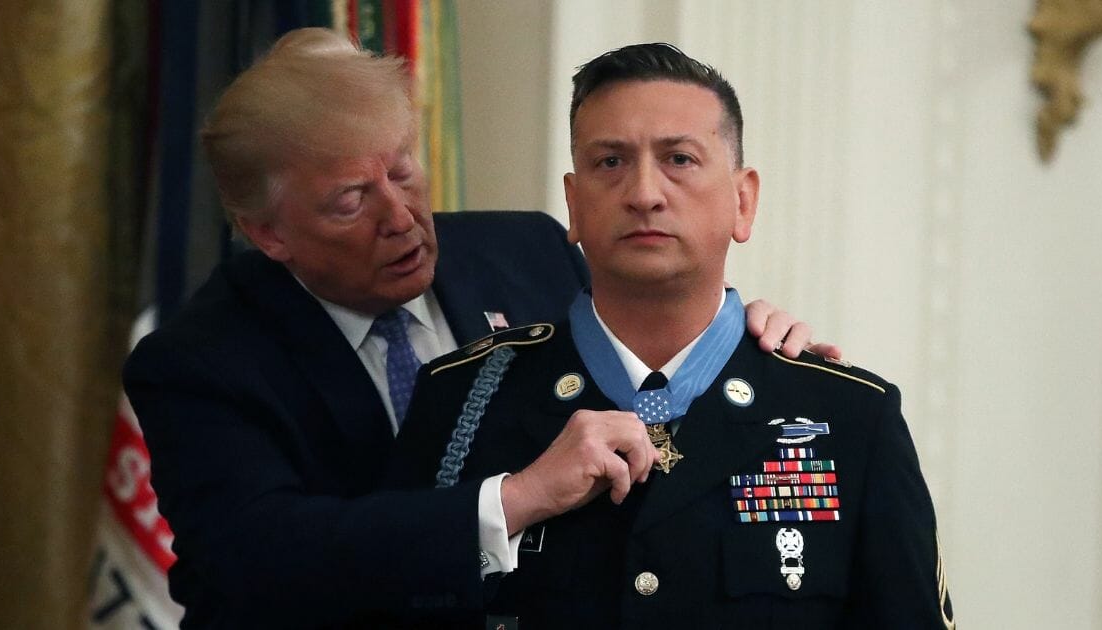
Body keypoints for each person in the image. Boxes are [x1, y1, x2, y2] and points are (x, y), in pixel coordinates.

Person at [122, 29, 832, 628]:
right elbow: (259, 560)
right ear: (267, 232)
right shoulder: (200, 361)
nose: (399, 217)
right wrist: (514, 499)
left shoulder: (526, 252)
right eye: (349, 201)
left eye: (403, 171)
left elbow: (645, 373)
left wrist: (741, 341)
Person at [388, 43, 956, 629]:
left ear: (743, 200)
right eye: (610, 162)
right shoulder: (460, 400)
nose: (643, 193)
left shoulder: (851, 417)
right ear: (574, 204)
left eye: (679, 159)